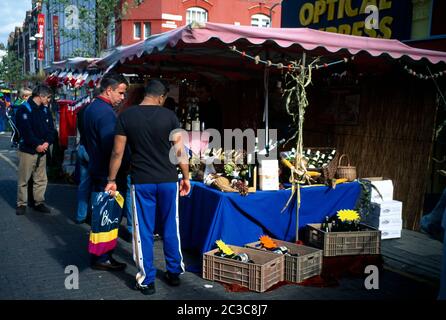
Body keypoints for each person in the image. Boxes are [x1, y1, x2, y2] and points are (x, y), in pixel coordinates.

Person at [105, 79, 191, 295]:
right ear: (161, 97)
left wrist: (111, 179)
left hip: (142, 180)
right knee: (171, 226)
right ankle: (173, 272)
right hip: (168, 180)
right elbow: (180, 152)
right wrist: (186, 176)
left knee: (143, 229)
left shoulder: (126, 116)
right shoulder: (170, 116)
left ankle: (146, 280)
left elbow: (117, 152)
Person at [83, 73, 129, 271]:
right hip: (107, 173)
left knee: (102, 214)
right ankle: (103, 257)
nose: (122, 98)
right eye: (120, 93)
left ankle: (100, 255)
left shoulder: (90, 108)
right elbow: (114, 148)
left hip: (97, 167)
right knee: (108, 217)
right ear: (108, 90)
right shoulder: (106, 113)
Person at [15, 85, 55, 215]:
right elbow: (26, 131)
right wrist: (37, 144)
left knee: (41, 178)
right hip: (28, 150)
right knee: (24, 179)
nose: (49, 100)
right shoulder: (23, 109)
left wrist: (47, 142)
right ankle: (21, 204)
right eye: (48, 97)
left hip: (42, 150)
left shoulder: (45, 110)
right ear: (41, 96)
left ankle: (39, 202)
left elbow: (51, 129)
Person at [74, 101, 92, 224]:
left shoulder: (82, 110)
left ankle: (81, 215)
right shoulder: (99, 111)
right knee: (98, 185)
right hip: (93, 151)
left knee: (84, 184)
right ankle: (95, 215)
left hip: (82, 146)